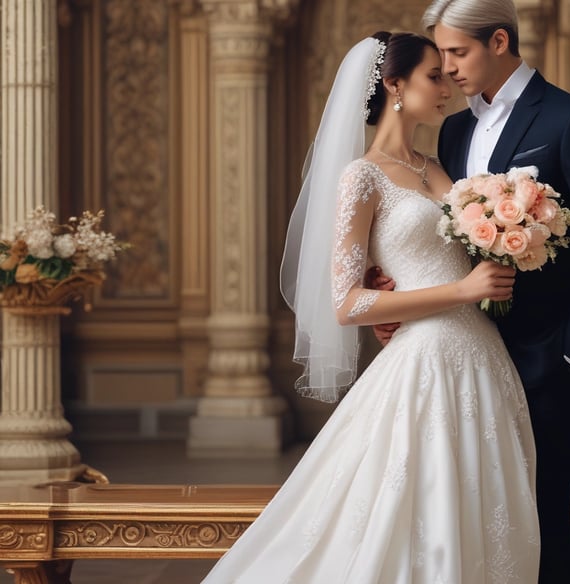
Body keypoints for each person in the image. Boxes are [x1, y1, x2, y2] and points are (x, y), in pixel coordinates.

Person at [201, 31, 540, 583]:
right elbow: (347, 302)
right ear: (393, 85)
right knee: (415, 507)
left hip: (482, 355)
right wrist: (460, 292)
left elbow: (443, 256)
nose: (448, 84)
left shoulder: (437, 167)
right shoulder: (361, 176)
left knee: (485, 507)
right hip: (424, 361)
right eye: (434, 75)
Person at [419, 1, 570, 582]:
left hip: (545, 362)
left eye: (456, 53)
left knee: (545, 525)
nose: (446, 68)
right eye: (439, 55)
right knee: (470, 523)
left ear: (497, 41)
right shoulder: (454, 129)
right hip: (461, 358)